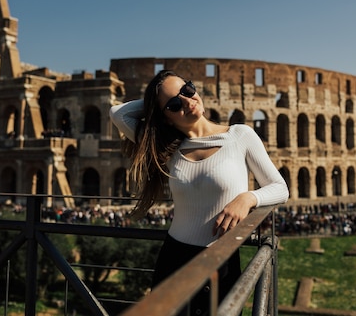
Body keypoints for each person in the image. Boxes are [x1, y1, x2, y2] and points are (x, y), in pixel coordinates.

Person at [109, 69, 289, 315]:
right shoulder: (167, 147)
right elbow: (118, 114)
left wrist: (248, 198)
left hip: (222, 260)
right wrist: (155, 102)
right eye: (175, 103)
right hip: (174, 258)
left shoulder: (239, 135)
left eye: (188, 90)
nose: (187, 100)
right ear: (165, 118)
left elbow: (280, 188)